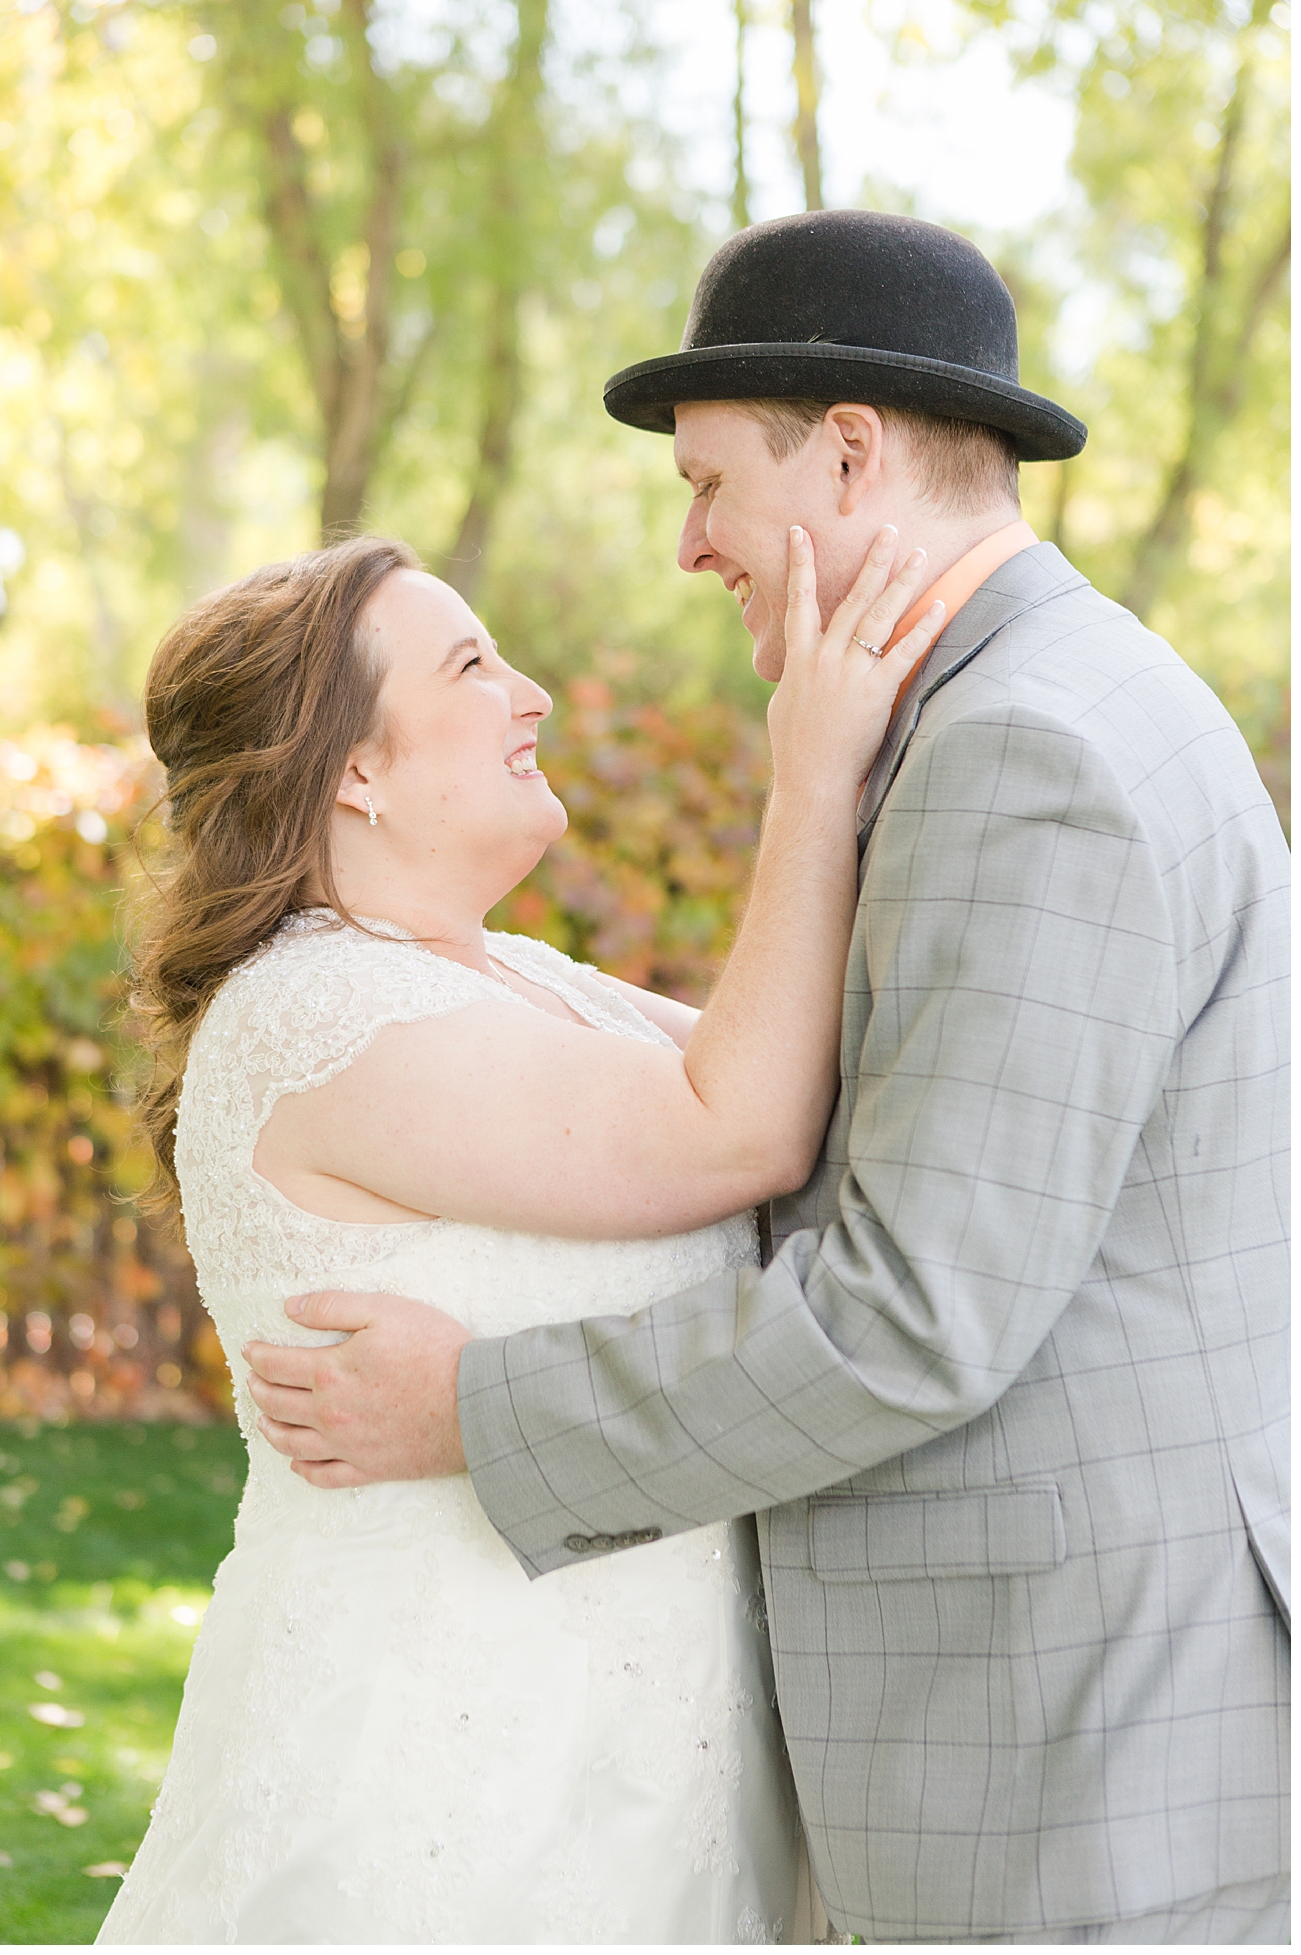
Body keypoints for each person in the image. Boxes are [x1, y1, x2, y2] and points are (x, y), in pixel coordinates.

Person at [247, 212, 1290, 1946]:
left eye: (712, 485)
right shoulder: (1019, 703)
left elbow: (915, 1312)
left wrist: (468, 1410)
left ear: (856, 456)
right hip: (1061, 1710)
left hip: (1061, 1749)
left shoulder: (1022, 750)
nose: (689, 547)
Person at [95, 518, 949, 1944]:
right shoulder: (319, 1018)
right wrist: (809, 778)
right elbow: (739, 1131)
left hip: (634, 1748)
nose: (531, 694)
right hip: (447, 1779)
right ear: (355, 766)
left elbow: (821, 1084)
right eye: (474, 663)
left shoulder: (519, 977)